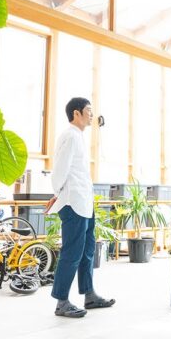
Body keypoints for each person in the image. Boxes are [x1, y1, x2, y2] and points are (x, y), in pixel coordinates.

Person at [45, 97, 115, 318]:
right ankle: (62, 301)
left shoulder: (78, 137)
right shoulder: (70, 136)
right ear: (76, 113)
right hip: (73, 203)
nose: (92, 115)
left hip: (85, 203)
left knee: (87, 252)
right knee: (72, 253)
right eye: (88, 111)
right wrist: (57, 194)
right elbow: (60, 171)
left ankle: (89, 294)